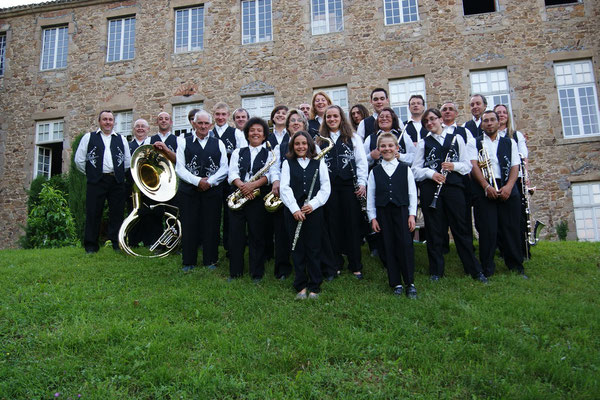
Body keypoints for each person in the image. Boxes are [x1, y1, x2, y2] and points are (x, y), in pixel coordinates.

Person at [412, 108, 487, 282]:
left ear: (440, 120)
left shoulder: (456, 138)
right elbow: (415, 170)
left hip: (454, 188)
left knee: (461, 229)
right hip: (432, 190)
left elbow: (467, 165)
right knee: (434, 230)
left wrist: (454, 166)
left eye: (432, 119)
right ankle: (436, 271)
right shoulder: (423, 143)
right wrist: (431, 174)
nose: (430, 123)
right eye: (426, 122)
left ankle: (474, 270)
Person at [471, 110, 527, 278]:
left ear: (498, 122)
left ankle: (516, 266)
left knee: (511, 228)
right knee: (488, 230)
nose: (489, 123)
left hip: (506, 187)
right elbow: (473, 166)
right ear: (481, 124)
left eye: (492, 120)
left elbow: (515, 166)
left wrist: (509, 187)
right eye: (485, 120)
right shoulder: (474, 142)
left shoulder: (510, 142)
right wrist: (486, 186)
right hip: (485, 188)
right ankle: (487, 268)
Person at [175, 110, 229, 271]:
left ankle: (210, 260)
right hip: (189, 191)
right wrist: (198, 181)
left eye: (206, 123)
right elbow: (180, 168)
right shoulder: (183, 142)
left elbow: (224, 168)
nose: (203, 126)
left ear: (211, 125)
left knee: (211, 225)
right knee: (189, 225)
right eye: (200, 123)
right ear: (194, 123)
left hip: (212, 191)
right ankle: (188, 261)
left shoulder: (218, 143)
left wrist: (210, 182)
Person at [318, 105, 368, 279]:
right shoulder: (320, 141)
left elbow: (361, 161)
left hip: (349, 186)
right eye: (328, 117)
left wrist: (362, 183)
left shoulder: (353, 137)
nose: (332, 119)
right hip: (329, 188)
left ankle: (356, 265)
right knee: (332, 226)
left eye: (335, 116)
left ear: (341, 118)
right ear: (325, 119)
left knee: (352, 225)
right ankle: (335, 264)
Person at [280, 131, 331, 299]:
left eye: (304, 143)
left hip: (313, 211)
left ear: (309, 145)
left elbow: (325, 187)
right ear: (292, 146)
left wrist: (313, 204)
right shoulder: (288, 163)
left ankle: (315, 285)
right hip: (294, 212)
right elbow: (284, 188)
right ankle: (300, 285)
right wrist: (294, 208)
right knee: (297, 248)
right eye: (297, 144)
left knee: (314, 248)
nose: (301, 146)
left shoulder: (318, 162)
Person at [367, 133, 417, 298]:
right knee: (388, 246)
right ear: (379, 149)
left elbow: (412, 194)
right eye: (383, 146)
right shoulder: (375, 171)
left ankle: (409, 282)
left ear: (397, 148)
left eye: (390, 146)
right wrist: (372, 217)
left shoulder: (405, 169)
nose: (387, 149)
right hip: (383, 213)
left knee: (405, 245)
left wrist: (412, 215)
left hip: (402, 211)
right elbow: (371, 197)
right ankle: (395, 283)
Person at [74, 110, 131, 253]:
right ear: (99, 121)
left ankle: (117, 244)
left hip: (116, 181)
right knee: (93, 213)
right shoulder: (89, 137)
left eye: (110, 120)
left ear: (114, 122)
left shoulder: (121, 139)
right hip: (96, 181)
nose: (108, 122)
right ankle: (91, 246)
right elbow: (79, 160)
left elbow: (127, 161)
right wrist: (92, 173)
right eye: (105, 119)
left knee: (117, 213)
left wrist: (117, 173)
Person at [227, 117, 277, 282]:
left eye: (259, 131)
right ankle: (235, 272)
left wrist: (253, 185)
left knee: (257, 236)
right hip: (240, 196)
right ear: (247, 133)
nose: (255, 133)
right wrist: (243, 186)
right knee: (236, 236)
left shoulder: (271, 153)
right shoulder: (237, 152)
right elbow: (232, 173)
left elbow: (270, 175)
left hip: (257, 197)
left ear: (264, 135)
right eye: (252, 130)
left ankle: (257, 273)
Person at [493, 104, 531, 258]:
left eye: (504, 113)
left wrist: (526, 176)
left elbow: (523, 157)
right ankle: (502, 249)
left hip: (515, 179)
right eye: (498, 113)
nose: (501, 115)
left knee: (518, 217)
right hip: (498, 178)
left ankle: (522, 249)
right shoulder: (488, 136)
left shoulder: (516, 135)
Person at [124, 119, 158, 248]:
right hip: (132, 185)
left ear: (148, 129)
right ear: (134, 129)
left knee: (150, 213)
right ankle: (133, 241)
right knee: (133, 212)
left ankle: (149, 241)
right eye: (137, 126)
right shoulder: (128, 146)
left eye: (143, 126)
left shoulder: (152, 145)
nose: (140, 128)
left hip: (149, 185)